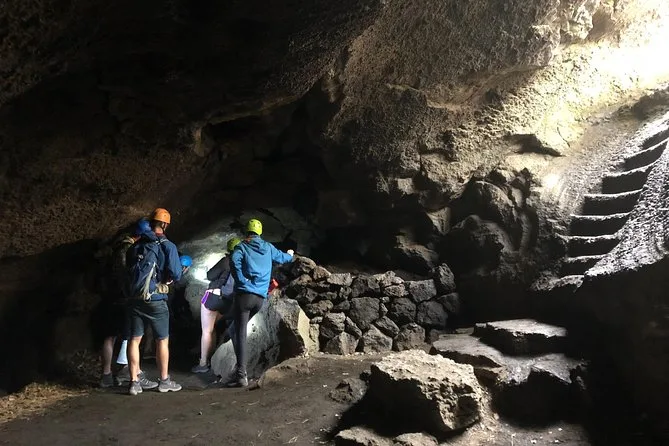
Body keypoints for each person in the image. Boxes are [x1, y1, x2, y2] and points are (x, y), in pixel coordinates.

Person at [125, 208, 186, 395]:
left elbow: (128, 268)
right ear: (165, 224)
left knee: (134, 340)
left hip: (136, 298)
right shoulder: (168, 246)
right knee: (162, 340)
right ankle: (164, 381)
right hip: (156, 299)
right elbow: (176, 273)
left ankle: (134, 382)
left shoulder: (136, 245)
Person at [227, 219, 294, 387]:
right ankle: (239, 368)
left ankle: (241, 374)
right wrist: (290, 255)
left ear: (247, 232)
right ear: (260, 232)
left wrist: (241, 280)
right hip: (259, 298)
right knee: (233, 330)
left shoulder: (242, 247)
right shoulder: (268, 247)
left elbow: (234, 261)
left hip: (245, 296)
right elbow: (283, 258)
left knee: (240, 333)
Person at [93, 218, 155, 389]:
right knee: (133, 335)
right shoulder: (130, 249)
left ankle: (106, 375)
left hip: (109, 297)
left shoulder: (115, 247)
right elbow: (127, 274)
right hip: (124, 298)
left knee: (110, 336)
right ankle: (132, 372)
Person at [191, 237, 241, 374]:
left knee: (207, 331)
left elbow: (210, 275)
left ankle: (203, 363)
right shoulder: (243, 263)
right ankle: (212, 358)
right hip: (229, 301)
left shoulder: (226, 261)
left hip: (213, 297)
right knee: (212, 329)